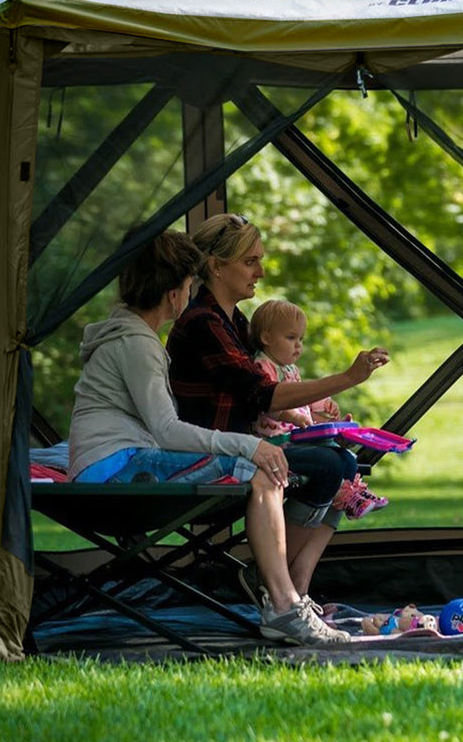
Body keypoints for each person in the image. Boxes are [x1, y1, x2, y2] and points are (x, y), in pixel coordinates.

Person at [67, 228, 350, 646]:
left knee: (300, 464)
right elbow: (166, 430)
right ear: (173, 293)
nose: (189, 292)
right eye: (187, 284)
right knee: (261, 469)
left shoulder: (133, 336)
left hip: (115, 462)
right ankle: (285, 606)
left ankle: (285, 595)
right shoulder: (138, 344)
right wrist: (250, 444)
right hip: (117, 471)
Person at [166, 212, 389, 610]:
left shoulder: (234, 321)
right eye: (250, 261)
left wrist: (318, 418)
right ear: (216, 266)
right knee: (327, 466)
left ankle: (288, 581)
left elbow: (268, 398)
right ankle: (277, 582)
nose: (261, 272)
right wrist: (349, 377)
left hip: (244, 446)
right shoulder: (204, 324)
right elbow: (264, 395)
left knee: (343, 465)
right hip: (210, 453)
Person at [248, 298, 389, 519]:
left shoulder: (290, 368)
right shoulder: (263, 366)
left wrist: (324, 405)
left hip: (296, 438)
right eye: (291, 337)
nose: (298, 345)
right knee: (328, 460)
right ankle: (345, 496)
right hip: (275, 444)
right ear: (266, 337)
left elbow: (302, 394)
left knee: (348, 458)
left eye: (301, 339)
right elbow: (269, 402)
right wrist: (292, 415)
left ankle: (354, 495)